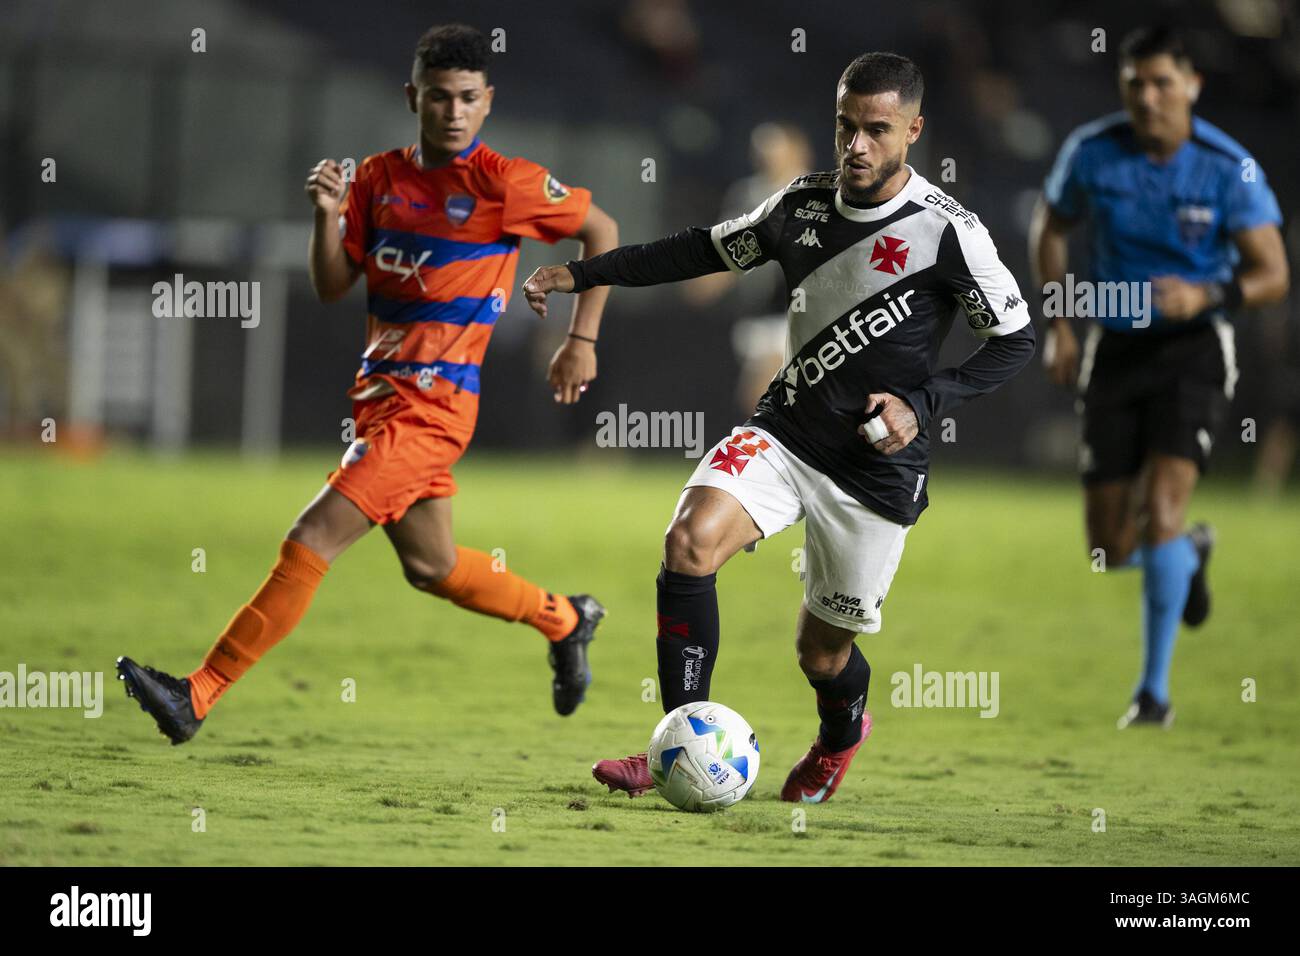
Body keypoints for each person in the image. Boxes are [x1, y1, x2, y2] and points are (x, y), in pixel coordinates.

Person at [525, 52, 1035, 802]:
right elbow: (699, 249)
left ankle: (838, 739)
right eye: (845, 127)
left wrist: (920, 403)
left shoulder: (950, 232)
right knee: (688, 542)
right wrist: (586, 273)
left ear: (914, 131)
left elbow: (1016, 341)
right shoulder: (799, 205)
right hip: (786, 429)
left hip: (875, 467)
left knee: (822, 655)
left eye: (877, 130)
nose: (856, 145)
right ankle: (678, 743)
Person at [116, 23, 620, 744]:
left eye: (468, 99)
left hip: (435, 408)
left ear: (487, 102)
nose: (453, 112)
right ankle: (565, 619)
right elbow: (331, 285)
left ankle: (198, 693)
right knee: (433, 566)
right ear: (412, 96)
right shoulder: (377, 179)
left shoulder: (504, 183)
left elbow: (600, 229)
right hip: (380, 399)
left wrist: (581, 338)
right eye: (439, 97)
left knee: (311, 536)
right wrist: (326, 218)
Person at [1030, 26, 1289, 729]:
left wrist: (1208, 295)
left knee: (1163, 512)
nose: (1147, 97)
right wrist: (1057, 323)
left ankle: (1154, 695)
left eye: (1162, 83)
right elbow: (1049, 226)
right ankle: (1188, 554)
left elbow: (1273, 273)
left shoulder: (1227, 167)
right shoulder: (1092, 151)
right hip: (1113, 348)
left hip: (1194, 350)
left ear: (1193, 85)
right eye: (1135, 83)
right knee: (1107, 548)